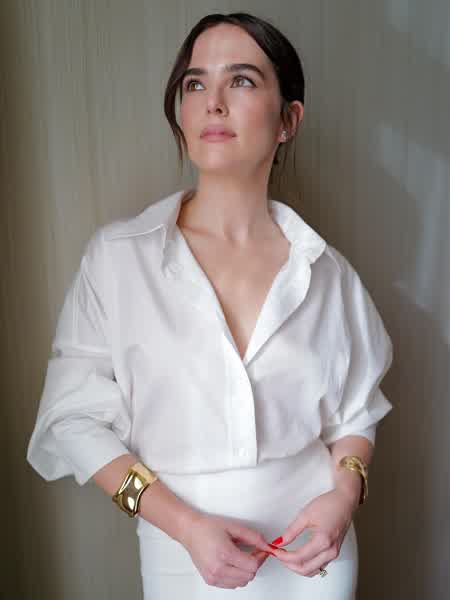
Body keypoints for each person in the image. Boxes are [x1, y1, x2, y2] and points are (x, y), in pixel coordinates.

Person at [26, 11, 394, 600]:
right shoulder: (118, 260)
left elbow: (355, 415)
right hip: (182, 554)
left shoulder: (328, 273)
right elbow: (72, 419)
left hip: (316, 555)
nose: (212, 103)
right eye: (195, 83)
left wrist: (344, 497)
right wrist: (185, 526)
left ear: (288, 120)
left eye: (241, 80)